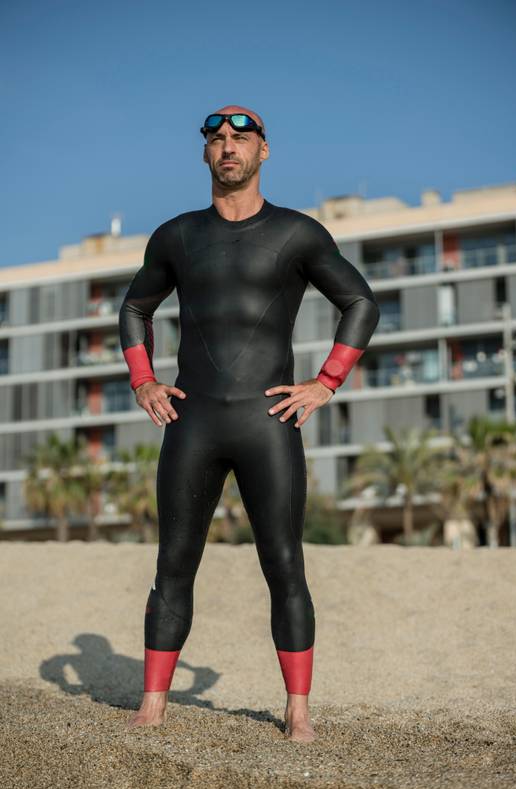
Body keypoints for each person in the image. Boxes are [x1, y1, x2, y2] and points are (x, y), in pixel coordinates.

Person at [118, 105, 380, 741]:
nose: (228, 147)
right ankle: (152, 703)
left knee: (284, 564)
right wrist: (144, 380)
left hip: (268, 422)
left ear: (265, 151)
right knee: (173, 565)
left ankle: (297, 711)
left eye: (241, 138)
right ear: (205, 155)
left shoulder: (298, 233)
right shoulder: (176, 236)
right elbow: (134, 307)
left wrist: (325, 384)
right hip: (194, 420)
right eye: (217, 139)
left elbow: (360, 302)